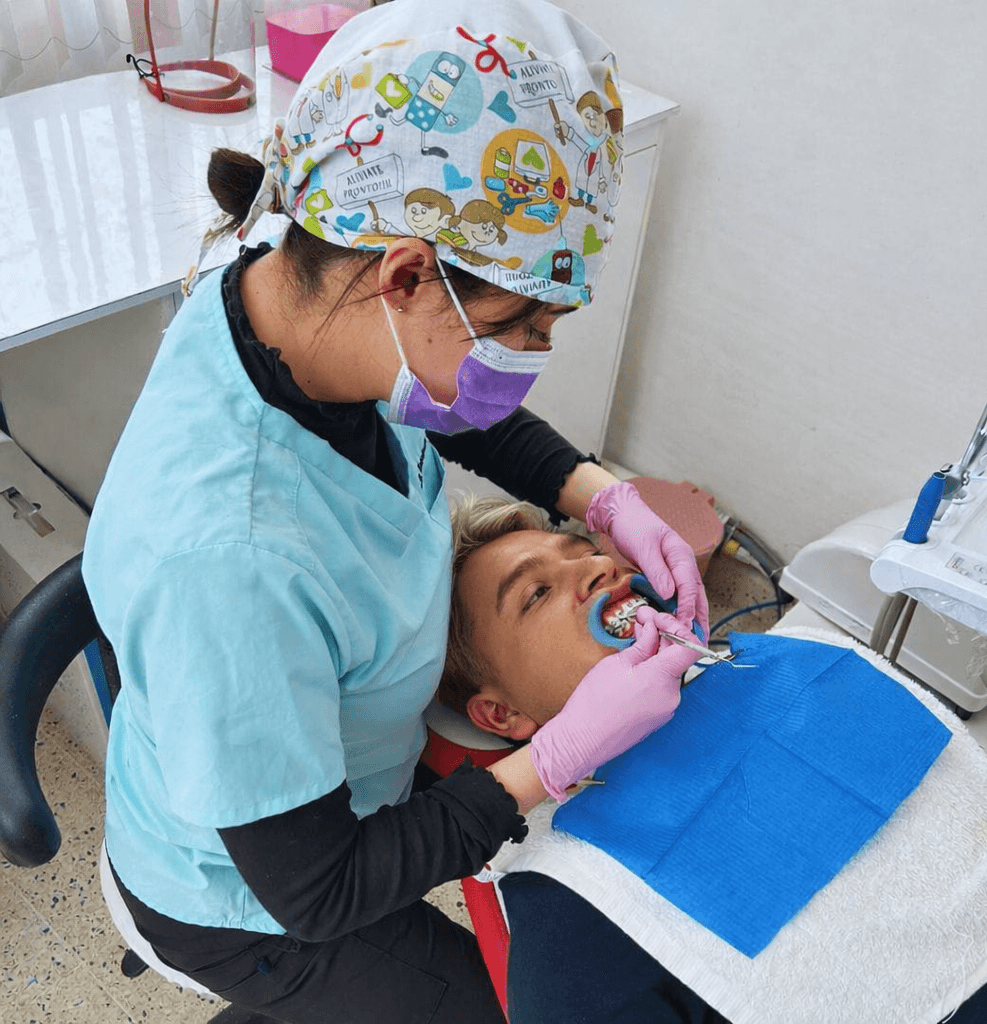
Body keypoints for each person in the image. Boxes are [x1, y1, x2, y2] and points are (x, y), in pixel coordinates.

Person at [81, 2, 715, 1022]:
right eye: (516, 326)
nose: (532, 358)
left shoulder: (287, 302)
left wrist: (599, 492)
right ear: (406, 275)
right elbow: (318, 888)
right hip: (250, 905)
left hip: (331, 773)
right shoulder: (229, 558)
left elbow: (449, 402)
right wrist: (549, 760)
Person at [436, 494, 987, 1024]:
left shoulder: (809, 659)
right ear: (501, 717)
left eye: (585, 551)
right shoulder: (577, 906)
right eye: (535, 593)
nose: (597, 568)